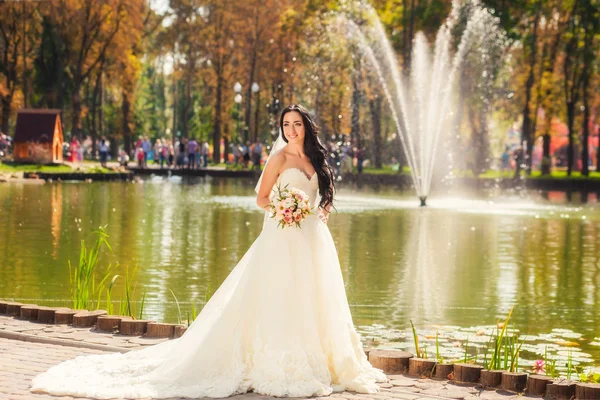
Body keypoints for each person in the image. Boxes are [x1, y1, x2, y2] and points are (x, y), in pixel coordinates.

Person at [31, 104, 388, 398]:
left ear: (307, 126)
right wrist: (284, 209)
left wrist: (318, 210)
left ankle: (324, 360)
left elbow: (322, 198)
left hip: (313, 240)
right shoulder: (278, 159)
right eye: (286, 124)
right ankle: (280, 360)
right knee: (279, 297)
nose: (291, 129)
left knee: (315, 298)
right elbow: (262, 198)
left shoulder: (316, 160)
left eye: (296, 124)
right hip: (282, 237)